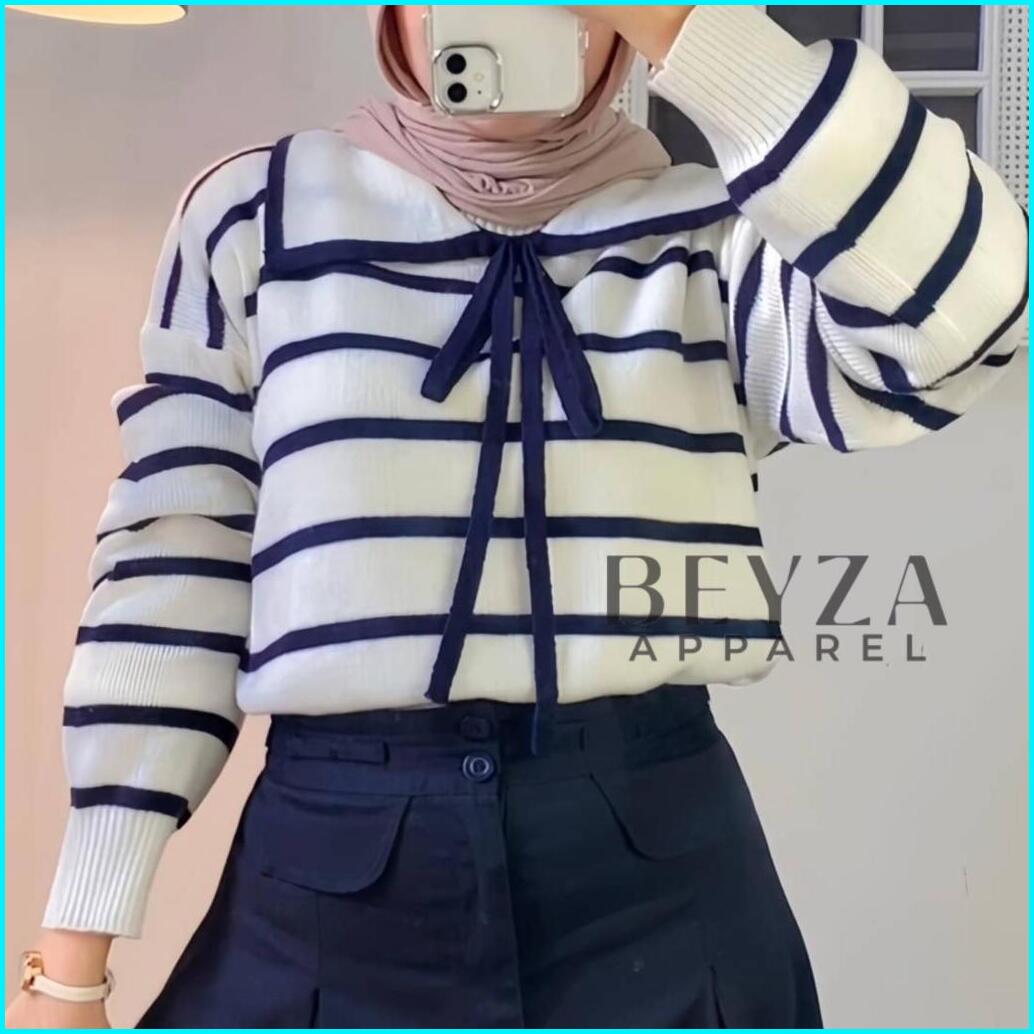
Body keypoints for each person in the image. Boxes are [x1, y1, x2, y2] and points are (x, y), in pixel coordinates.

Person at [8, 3, 1027, 1029]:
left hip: (663, 880)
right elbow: (175, 568)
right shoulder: (254, 216)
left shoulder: (718, 239)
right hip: (327, 871)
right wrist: (73, 962)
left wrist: (692, 33)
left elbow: (967, 319)